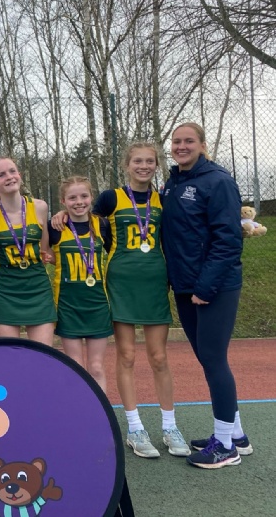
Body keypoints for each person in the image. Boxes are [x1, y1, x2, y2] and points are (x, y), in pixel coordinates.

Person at [161, 122, 252, 469]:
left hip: (213, 287)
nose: (181, 146)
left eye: (188, 141)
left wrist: (205, 287)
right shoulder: (173, 183)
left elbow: (228, 241)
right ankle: (237, 434)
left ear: (201, 144)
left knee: (214, 360)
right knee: (208, 359)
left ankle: (225, 447)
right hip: (187, 287)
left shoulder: (219, 181)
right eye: (176, 141)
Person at [98, 143, 189, 458]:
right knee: (126, 357)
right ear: (127, 164)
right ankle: (135, 428)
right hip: (121, 282)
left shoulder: (162, 199)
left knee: (159, 358)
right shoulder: (110, 198)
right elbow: (81, 222)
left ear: (156, 165)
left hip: (154, 282)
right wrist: (58, 218)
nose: (144, 166)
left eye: (150, 161)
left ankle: (169, 426)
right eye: (138, 161)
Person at [0, 157, 56, 346]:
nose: (9, 177)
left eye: (12, 171)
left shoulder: (40, 207)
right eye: (1, 175)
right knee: (10, 358)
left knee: (42, 355)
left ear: (20, 175)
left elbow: (45, 249)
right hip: (5, 286)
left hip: (37, 283)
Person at [47, 176, 113, 392]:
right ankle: (79, 415)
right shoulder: (55, 227)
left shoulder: (103, 225)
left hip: (98, 305)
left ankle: (101, 417)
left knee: (96, 367)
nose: (79, 202)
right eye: (72, 198)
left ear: (91, 197)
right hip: (68, 306)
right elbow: (44, 255)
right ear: (63, 201)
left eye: (84, 196)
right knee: (75, 366)